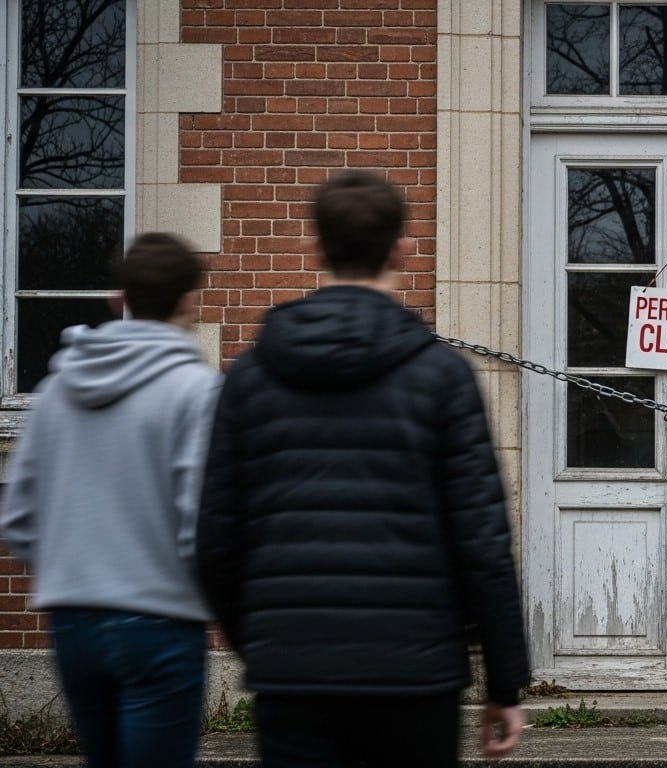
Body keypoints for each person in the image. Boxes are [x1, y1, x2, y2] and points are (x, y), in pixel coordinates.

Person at [196, 170, 529, 768]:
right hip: (414, 674)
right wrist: (504, 684)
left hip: (293, 674)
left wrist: (263, 647)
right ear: (403, 248)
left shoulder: (250, 377)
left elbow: (216, 540)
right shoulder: (442, 377)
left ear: (314, 247)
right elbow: (482, 544)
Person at [1, 233, 220, 768]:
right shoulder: (195, 391)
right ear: (190, 299)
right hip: (161, 621)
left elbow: (20, 515)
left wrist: (74, 571)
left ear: (116, 299)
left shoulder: (58, 388)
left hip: (75, 621)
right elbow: (201, 519)